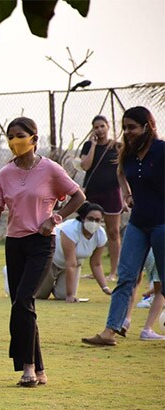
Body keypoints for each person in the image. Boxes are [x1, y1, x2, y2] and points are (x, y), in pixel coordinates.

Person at [0, 117, 85, 387]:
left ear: (34, 138)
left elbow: (78, 197)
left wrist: (55, 218)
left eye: (19, 135)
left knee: (23, 299)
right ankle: (40, 370)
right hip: (15, 244)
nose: (14, 141)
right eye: (9, 136)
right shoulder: (4, 174)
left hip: (41, 243)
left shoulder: (50, 169)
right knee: (22, 305)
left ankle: (28, 366)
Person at [82, 107, 164, 346]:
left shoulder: (161, 150)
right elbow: (121, 173)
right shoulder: (127, 153)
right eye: (125, 127)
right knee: (126, 277)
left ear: (148, 126)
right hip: (138, 224)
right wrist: (127, 194)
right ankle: (110, 331)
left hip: (162, 223)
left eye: (133, 127)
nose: (128, 132)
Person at [35, 202, 111, 302]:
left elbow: (96, 264)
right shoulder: (70, 230)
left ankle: (54, 286)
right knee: (40, 295)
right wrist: (70, 295)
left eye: (97, 220)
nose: (94, 223)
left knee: (62, 296)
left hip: (74, 264)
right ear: (83, 218)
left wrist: (104, 287)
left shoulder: (101, 235)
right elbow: (70, 263)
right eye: (90, 219)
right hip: (51, 260)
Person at [80, 116, 123, 282]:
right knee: (91, 230)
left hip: (112, 193)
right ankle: (94, 269)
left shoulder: (118, 147)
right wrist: (93, 145)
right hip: (93, 193)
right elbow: (85, 166)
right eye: (96, 127)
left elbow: (123, 171)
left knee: (113, 232)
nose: (99, 130)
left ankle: (113, 271)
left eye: (102, 126)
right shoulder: (88, 145)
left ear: (108, 127)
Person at [120, 249, 165, 340]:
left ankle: (125, 319)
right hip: (160, 248)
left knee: (135, 282)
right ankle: (147, 330)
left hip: (145, 249)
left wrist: (148, 292)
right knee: (160, 291)